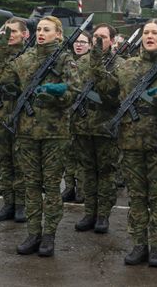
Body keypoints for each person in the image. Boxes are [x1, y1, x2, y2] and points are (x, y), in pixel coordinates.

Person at [91, 19, 157, 267]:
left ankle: (156, 246)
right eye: (146, 32)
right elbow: (106, 89)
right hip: (131, 140)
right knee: (136, 196)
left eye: (155, 32)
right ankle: (139, 244)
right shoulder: (127, 66)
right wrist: (96, 59)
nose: (150, 36)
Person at [0, 16, 79, 257]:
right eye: (39, 29)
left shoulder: (65, 59)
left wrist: (56, 93)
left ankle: (49, 235)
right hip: (27, 132)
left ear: (58, 35)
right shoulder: (25, 58)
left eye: (47, 29)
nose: (41, 33)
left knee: (51, 186)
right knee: (31, 185)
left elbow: (74, 92)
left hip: (55, 133)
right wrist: (2, 46)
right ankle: (33, 233)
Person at [73, 24, 122, 234]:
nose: (98, 40)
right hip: (83, 125)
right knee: (87, 172)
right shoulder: (82, 62)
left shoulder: (120, 65)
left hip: (105, 125)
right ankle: (89, 212)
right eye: (95, 37)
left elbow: (118, 95)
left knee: (106, 172)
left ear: (112, 40)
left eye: (103, 37)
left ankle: (103, 215)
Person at [0, 17, 28, 222]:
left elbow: (6, 78)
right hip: (0, 114)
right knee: (4, 161)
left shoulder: (29, 55)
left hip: (22, 115)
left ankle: (21, 205)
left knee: (21, 163)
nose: (9, 36)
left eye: (13, 31)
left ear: (24, 34)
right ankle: (8, 203)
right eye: (5, 32)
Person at [61, 31, 92, 203]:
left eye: (83, 42)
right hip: (68, 112)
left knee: (82, 154)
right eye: (77, 42)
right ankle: (69, 186)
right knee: (68, 154)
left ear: (90, 45)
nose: (79, 45)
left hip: (85, 115)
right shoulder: (67, 60)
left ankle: (81, 189)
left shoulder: (91, 62)